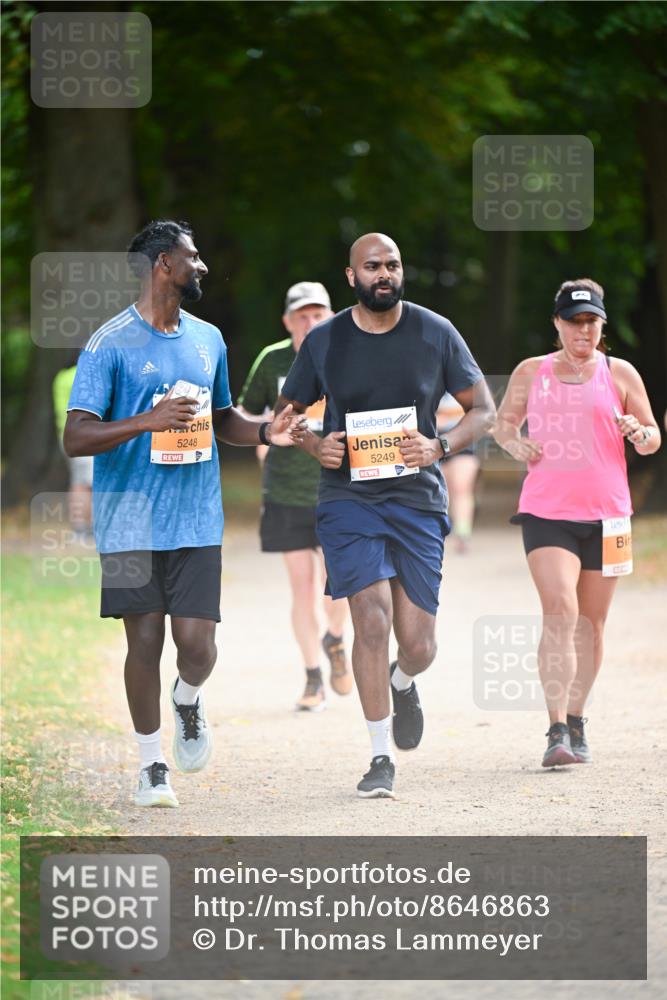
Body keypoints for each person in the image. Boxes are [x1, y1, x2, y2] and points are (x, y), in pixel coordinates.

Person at [64, 220, 296, 808]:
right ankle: (151, 766)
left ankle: (188, 701)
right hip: (129, 519)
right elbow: (76, 437)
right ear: (164, 264)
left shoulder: (208, 339)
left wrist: (272, 429)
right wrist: (148, 420)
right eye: (194, 257)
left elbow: (223, 420)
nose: (203, 266)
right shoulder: (109, 342)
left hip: (195, 516)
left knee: (197, 647)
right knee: (144, 640)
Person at [276, 233, 495, 798]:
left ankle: (403, 681)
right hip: (348, 499)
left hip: (417, 500)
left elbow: (484, 411)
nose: (383, 273)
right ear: (351, 276)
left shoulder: (434, 331)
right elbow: (287, 416)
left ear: (402, 271)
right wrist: (312, 445)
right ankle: (379, 757)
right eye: (372, 266)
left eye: (392, 265)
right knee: (369, 620)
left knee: (418, 643)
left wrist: (440, 446)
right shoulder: (324, 341)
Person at [493, 279, 661, 768]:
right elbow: (503, 425)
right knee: (560, 610)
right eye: (573, 321)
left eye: (590, 321)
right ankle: (556, 730)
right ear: (557, 324)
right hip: (548, 512)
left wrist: (639, 432)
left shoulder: (620, 373)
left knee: (591, 625)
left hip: (609, 514)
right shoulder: (531, 372)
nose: (581, 330)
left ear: (601, 324)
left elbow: (653, 437)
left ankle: (577, 716)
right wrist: (515, 444)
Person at [238, 282, 351, 711]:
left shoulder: (346, 353)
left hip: (337, 488)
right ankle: (312, 677)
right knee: (301, 588)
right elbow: (245, 414)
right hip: (285, 488)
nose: (310, 321)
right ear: (287, 321)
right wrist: (267, 434)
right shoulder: (272, 360)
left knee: (339, 586)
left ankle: (335, 637)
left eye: (318, 313)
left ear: (331, 316)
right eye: (302, 315)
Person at [53, 364, 93, 540]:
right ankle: (86, 529)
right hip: (85, 435)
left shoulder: (61, 377)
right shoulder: (85, 375)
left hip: (66, 435)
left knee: (78, 481)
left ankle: (79, 528)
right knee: (88, 484)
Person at [436, 393, 481, 553]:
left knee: (462, 489)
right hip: (434, 446)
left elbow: (481, 412)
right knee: (443, 493)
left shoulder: (468, 382)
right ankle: (444, 531)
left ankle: (462, 534)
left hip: (463, 446)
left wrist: (444, 415)